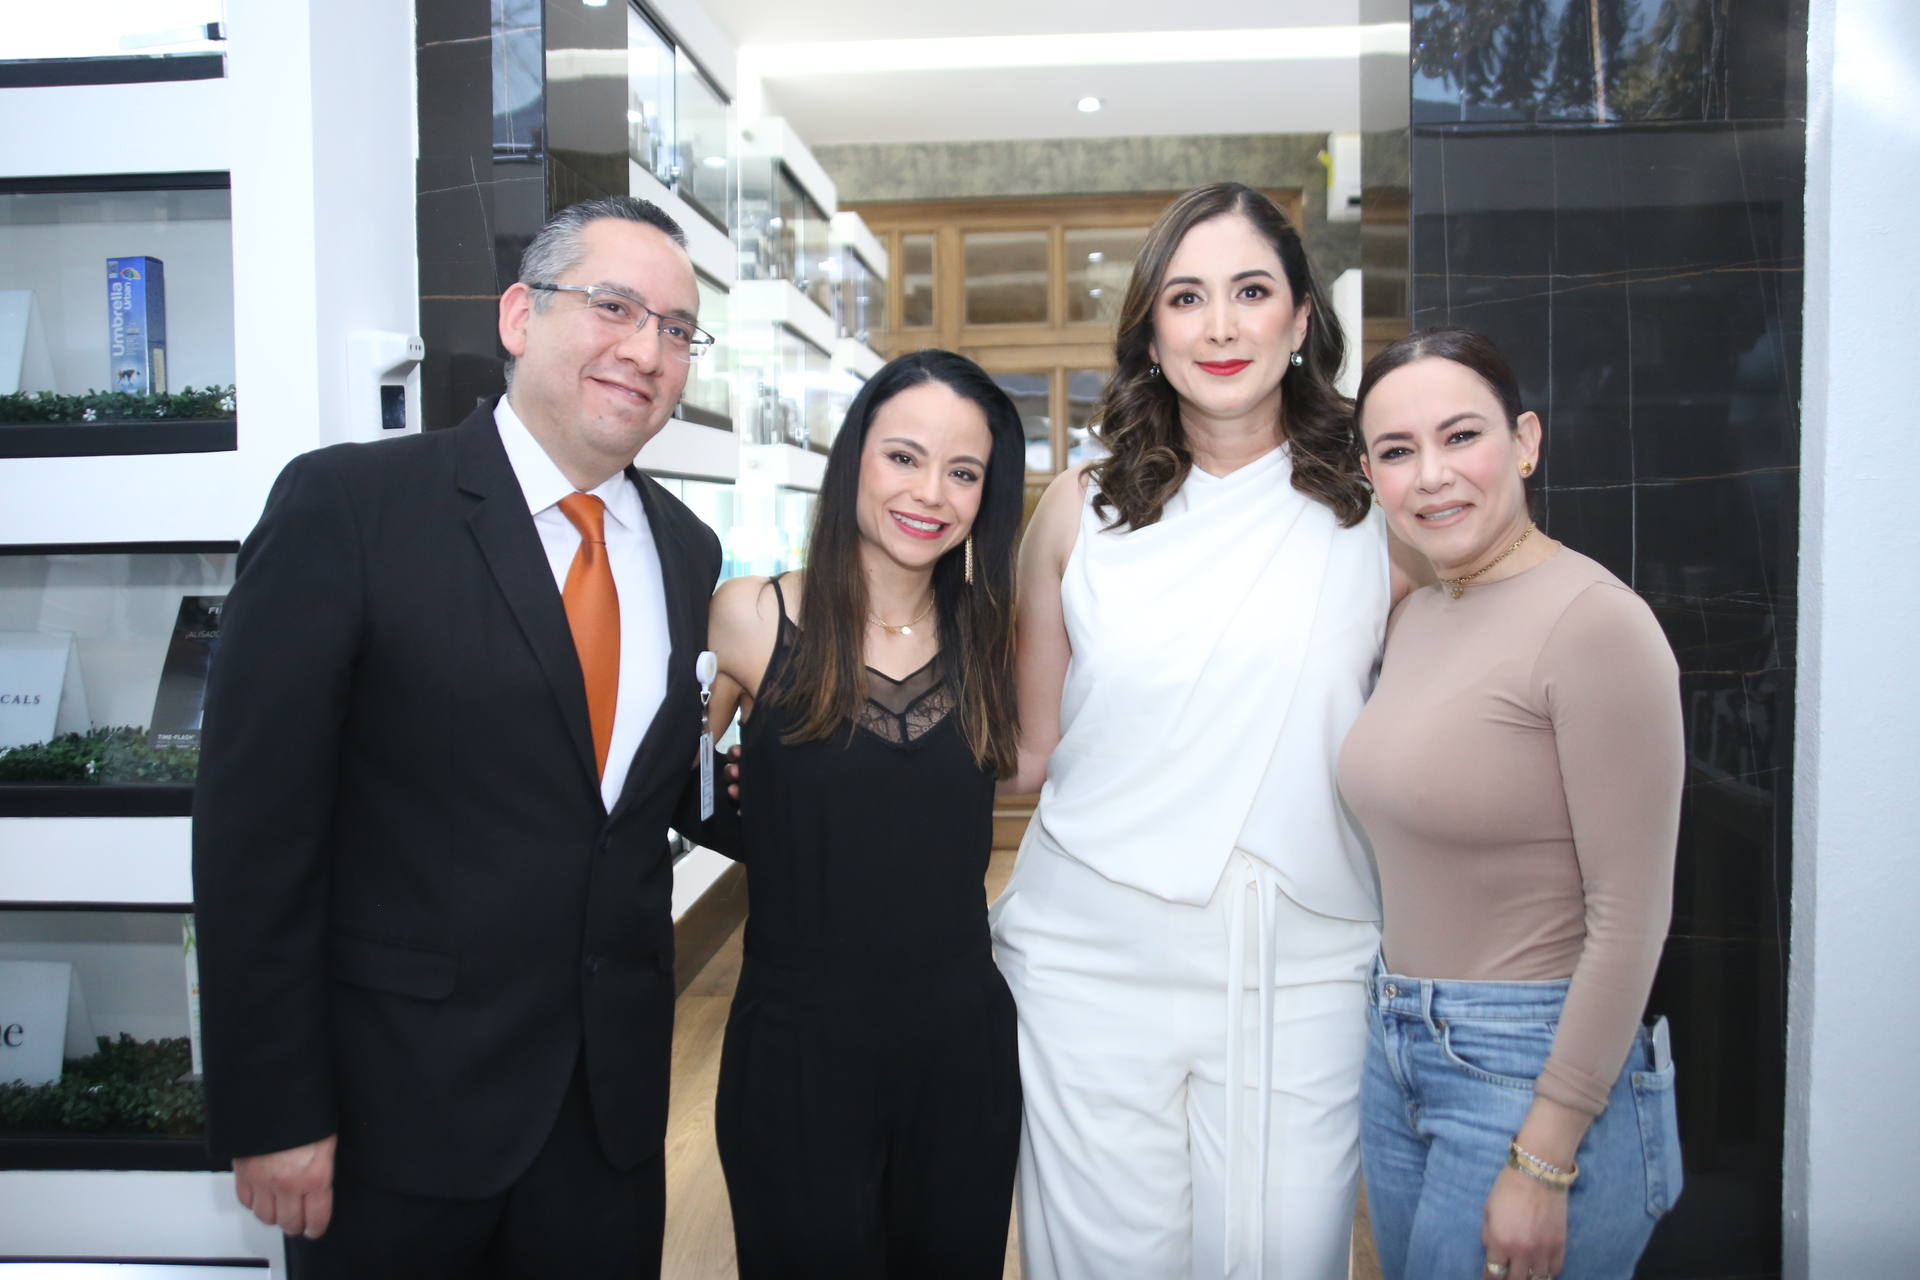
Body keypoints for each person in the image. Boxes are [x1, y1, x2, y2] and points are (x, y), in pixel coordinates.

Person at [192, 195, 724, 1277]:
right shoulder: (352, 507)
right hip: (394, 1120)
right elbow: (254, 835)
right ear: (521, 315)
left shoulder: (687, 549)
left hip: (608, 1125)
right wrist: (273, 1106)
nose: (646, 350)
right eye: (614, 307)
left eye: (676, 330)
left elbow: (636, 799)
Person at [991, 182, 1424, 1279]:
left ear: (1302, 316)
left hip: (1303, 965)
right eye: (1186, 297)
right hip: (1088, 958)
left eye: (1251, 292)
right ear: (1150, 330)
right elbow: (1026, 754)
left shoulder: (1378, 512)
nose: (1221, 326)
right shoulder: (1080, 510)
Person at [1338, 328, 1685, 1280]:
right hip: (1398, 1043)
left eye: (1462, 436)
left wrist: (1547, 1154)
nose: (1432, 475)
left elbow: (1631, 919)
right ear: (1370, 476)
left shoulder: (1596, 623)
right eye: (1397, 451)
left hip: (1532, 1068)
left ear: (1524, 441)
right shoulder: (1419, 611)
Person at [701, 350, 1025, 1278]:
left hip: (959, 1050)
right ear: (854, 460)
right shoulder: (751, 618)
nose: (931, 493)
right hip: (797, 1051)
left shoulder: (993, 639)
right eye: (904, 457)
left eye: (963, 472)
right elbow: (676, 787)